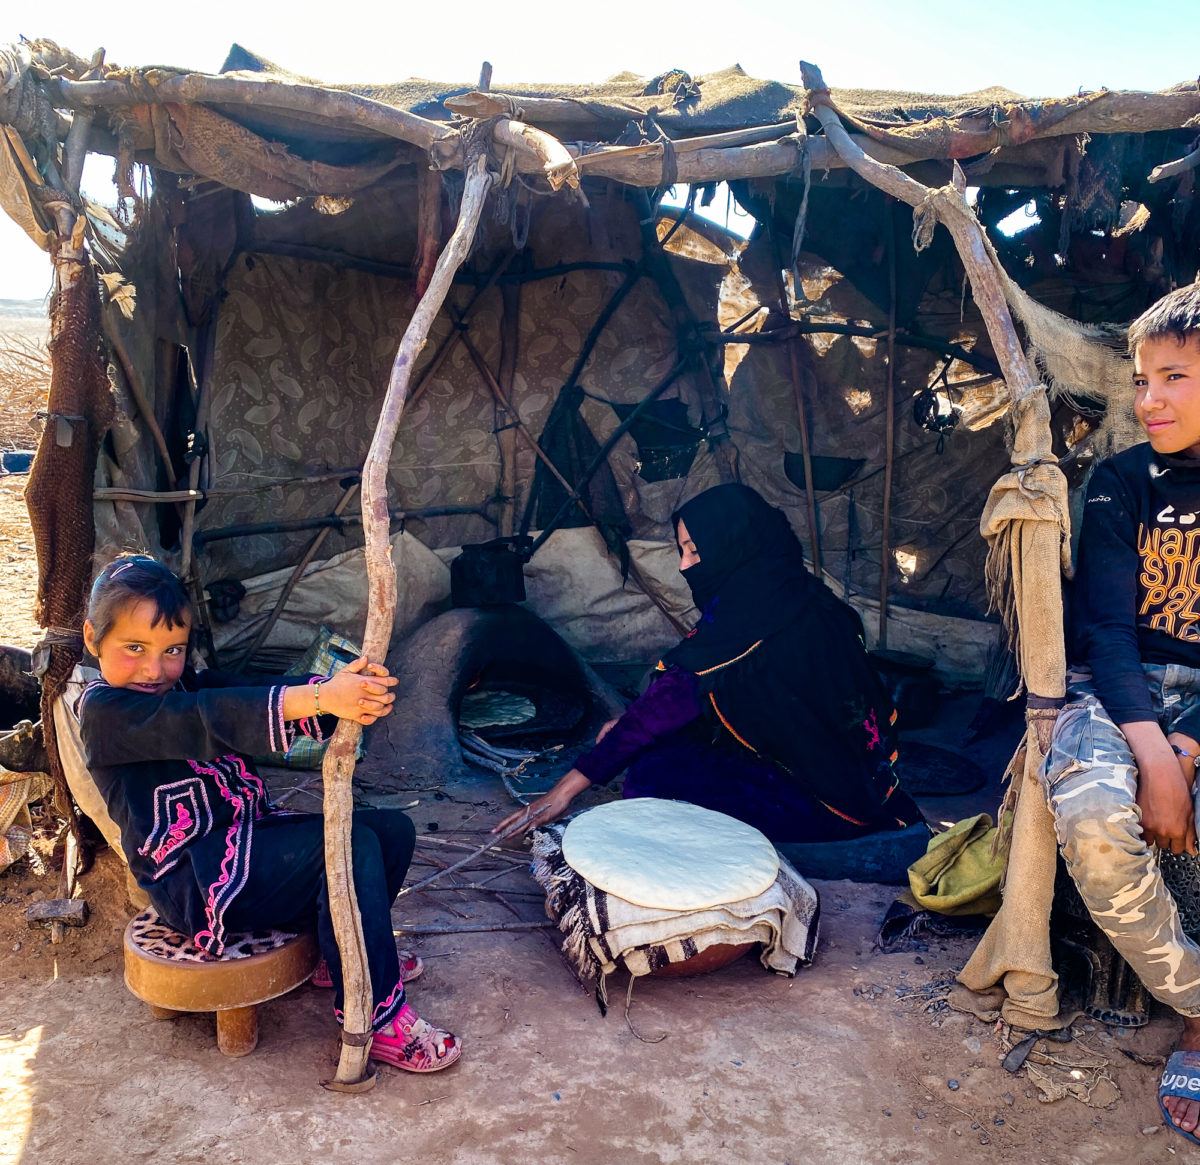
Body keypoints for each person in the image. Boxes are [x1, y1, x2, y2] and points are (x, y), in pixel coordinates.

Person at [76, 554, 459, 1073]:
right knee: (349, 847)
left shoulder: (182, 683)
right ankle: (378, 1016)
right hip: (195, 880)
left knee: (390, 830)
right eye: (134, 648)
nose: (154, 668)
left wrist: (328, 693)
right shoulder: (105, 713)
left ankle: (341, 955)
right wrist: (321, 696)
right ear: (92, 638)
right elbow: (208, 720)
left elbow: (240, 694)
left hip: (241, 846)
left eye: (173, 650)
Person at [496, 482, 923, 843]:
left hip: (830, 804)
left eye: (694, 552)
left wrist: (561, 793)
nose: (684, 567)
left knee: (650, 776)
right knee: (644, 736)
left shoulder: (746, 626)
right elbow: (755, 697)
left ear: (733, 546)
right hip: (866, 781)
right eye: (681, 551)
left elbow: (663, 708)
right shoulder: (801, 596)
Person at [1040, 282, 1200, 1144]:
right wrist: (1157, 753)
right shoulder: (1118, 482)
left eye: (1173, 377)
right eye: (1142, 380)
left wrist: (1190, 741)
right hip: (1121, 688)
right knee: (1099, 819)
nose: (1148, 400)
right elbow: (1105, 630)